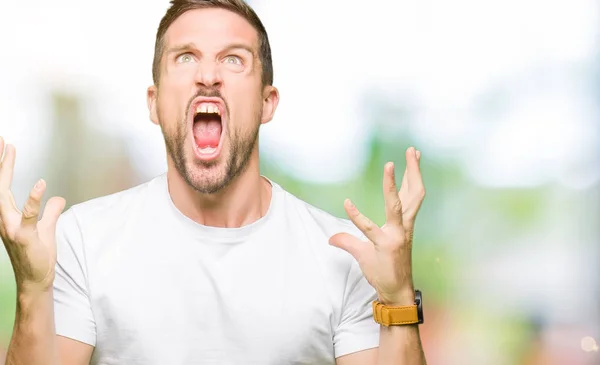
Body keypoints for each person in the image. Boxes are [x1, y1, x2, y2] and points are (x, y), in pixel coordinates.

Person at [0, 0, 428, 364]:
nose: (208, 75)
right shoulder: (84, 239)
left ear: (266, 102)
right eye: (185, 57)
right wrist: (32, 290)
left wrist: (398, 299)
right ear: (155, 103)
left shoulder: (341, 254)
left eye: (234, 58)